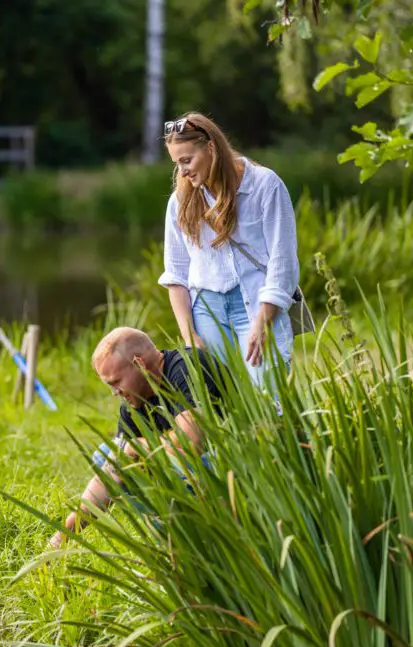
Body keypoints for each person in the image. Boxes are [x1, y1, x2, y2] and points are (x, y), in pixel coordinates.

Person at [47, 326, 228, 549]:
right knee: (107, 456)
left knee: (130, 455)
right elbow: (111, 473)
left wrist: (139, 447)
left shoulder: (188, 366)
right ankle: (174, 541)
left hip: (231, 468)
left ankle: (204, 540)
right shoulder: (134, 405)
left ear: (139, 364)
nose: (115, 392)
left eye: (115, 382)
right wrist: (62, 538)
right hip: (192, 474)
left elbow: (192, 442)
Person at [159, 112, 300, 389]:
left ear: (210, 147)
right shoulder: (180, 201)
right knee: (224, 400)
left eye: (187, 160)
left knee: (270, 396)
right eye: (177, 164)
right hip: (207, 311)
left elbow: (283, 262)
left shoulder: (264, 185)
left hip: (259, 305)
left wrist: (263, 321)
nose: (183, 171)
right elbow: (176, 275)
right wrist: (190, 337)